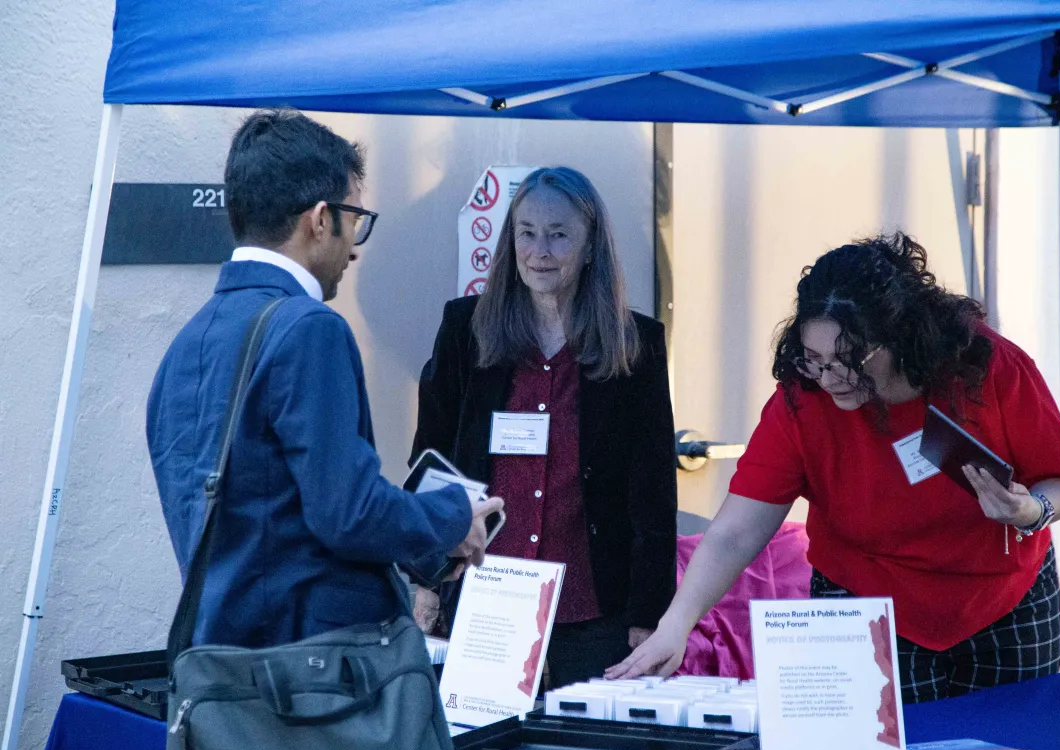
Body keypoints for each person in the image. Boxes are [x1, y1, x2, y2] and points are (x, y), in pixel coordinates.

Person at [608, 233, 1060, 703]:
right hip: (866, 600)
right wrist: (676, 623)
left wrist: (1031, 511)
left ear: (900, 337)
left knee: (1011, 746)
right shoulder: (802, 399)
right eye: (815, 360)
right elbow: (736, 531)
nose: (831, 379)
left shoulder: (989, 367)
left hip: (1005, 602)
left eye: (850, 360)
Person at [146, 109, 502, 647]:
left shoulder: (187, 343)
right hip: (308, 681)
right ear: (319, 219)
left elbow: (274, 516)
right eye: (355, 218)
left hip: (222, 664)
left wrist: (427, 546)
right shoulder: (310, 327)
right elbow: (349, 512)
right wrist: (453, 518)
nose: (356, 246)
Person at [411, 167, 678, 688]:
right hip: (487, 592)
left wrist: (650, 614)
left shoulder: (635, 344)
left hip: (595, 605)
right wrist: (426, 577)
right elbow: (432, 461)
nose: (540, 251)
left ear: (590, 245)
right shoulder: (466, 330)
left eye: (559, 235)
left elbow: (652, 491)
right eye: (526, 233)